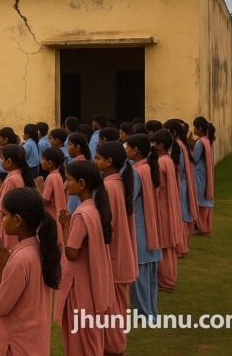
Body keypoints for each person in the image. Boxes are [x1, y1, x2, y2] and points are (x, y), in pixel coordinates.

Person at [0, 188, 60, 355]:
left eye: (4, 215)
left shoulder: (21, 259)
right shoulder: (39, 248)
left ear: (18, 220)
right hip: (32, 341)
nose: (1, 220)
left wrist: (0, 269)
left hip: (16, 344)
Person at [56, 160, 114, 356]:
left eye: (69, 180)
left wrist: (65, 228)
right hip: (92, 281)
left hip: (80, 284)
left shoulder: (81, 214)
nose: (65, 184)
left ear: (81, 183)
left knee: (80, 336)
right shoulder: (94, 208)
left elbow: (72, 253)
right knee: (90, 334)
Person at [95, 142, 137, 355]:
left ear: (109, 162)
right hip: (121, 254)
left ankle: (114, 346)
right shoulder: (117, 182)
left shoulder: (109, 187)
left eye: (99, 158)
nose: (96, 162)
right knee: (117, 305)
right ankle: (115, 344)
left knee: (112, 306)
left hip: (114, 255)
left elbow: (106, 225)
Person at [125, 134, 162, 319]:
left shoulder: (137, 171)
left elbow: (129, 199)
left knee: (139, 276)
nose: (126, 150)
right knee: (148, 276)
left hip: (140, 227)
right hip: (149, 227)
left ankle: (144, 314)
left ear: (136, 150)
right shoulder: (147, 167)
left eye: (128, 147)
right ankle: (151, 311)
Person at [152, 129, 181, 292]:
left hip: (162, 206)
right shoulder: (168, 160)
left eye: (154, 142)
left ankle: (166, 281)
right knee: (167, 246)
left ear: (160, 145)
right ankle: (168, 279)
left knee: (164, 245)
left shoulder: (161, 162)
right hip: (167, 205)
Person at [164, 119, 198, 256]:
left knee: (180, 214)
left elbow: (180, 167)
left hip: (180, 183)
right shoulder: (183, 144)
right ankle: (183, 245)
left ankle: (180, 247)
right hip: (183, 183)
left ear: (174, 132)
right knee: (183, 213)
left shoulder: (177, 145)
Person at [0, 144, 32, 251]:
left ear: (9, 162)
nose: (1, 161)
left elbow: (3, 208)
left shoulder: (11, 179)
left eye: (2, 158)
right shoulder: (18, 177)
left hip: (7, 225)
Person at [34, 147, 68, 245]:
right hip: (58, 214)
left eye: (43, 159)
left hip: (51, 216)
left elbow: (44, 200)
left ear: (50, 163)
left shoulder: (51, 177)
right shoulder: (58, 175)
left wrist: (39, 190)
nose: (41, 162)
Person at [192, 116, 216, 235]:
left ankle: (201, 227)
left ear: (199, 128)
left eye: (195, 127)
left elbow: (194, 158)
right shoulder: (208, 140)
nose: (194, 130)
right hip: (205, 173)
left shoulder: (200, 142)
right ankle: (205, 226)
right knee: (204, 198)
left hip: (198, 173)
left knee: (199, 199)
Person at [66, 133, 91, 214]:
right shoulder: (84, 161)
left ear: (78, 147)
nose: (68, 148)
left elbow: (74, 188)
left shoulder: (77, 164)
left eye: (70, 145)